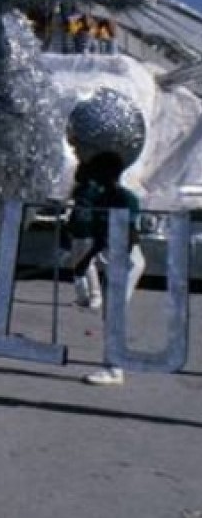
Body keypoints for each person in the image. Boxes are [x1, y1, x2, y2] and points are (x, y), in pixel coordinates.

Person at [63, 150, 146, 386]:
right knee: (110, 314)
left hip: (127, 262)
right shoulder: (102, 199)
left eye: (97, 173)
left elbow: (128, 236)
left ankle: (114, 369)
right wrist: (84, 262)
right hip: (115, 260)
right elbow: (100, 237)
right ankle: (114, 363)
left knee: (114, 315)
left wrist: (103, 252)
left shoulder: (125, 198)